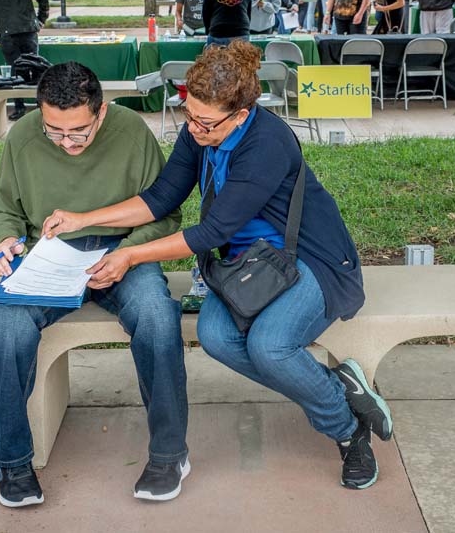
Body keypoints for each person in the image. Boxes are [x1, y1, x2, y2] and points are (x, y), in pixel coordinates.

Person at [42, 41, 394, 491]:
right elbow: (162, 198)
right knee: (215, 337)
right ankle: (338, 386)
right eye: (188, 114)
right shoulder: (200, 129)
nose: (193, 129)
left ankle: (346, 429)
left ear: (241, 115)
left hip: (309, 260)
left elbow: (208, 233)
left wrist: (129, 254)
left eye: (205, 122)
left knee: (270, 347)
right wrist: (82, 219)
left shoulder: (266, 144)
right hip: (244, 267)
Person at [0, 61, 188, 507]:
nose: (66, 143)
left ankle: (169, 454)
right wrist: (5, 240)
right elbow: (6, 208)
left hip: (123, 250)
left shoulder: (131, 132)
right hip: (50, 255)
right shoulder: (23, 137)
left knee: (156, 317)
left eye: (78, 132)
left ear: (100, 112)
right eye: (54, 132)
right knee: (7, 329)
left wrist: (127, 253)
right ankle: (13, 461)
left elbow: (165, 213)